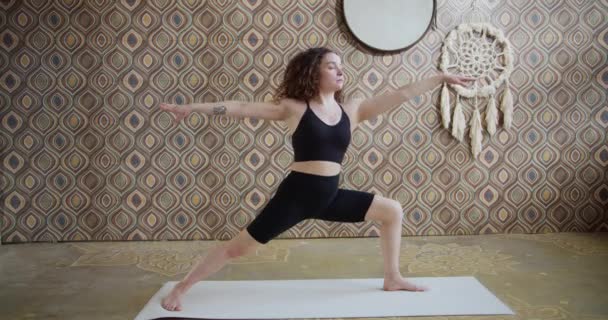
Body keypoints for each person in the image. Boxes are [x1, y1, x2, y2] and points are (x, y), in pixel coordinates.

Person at [158, 47, 475, 311]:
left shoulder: (352, 109)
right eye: (332, 66)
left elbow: (401, 93)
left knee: (391, 211)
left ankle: (392, 277)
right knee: (236, 249)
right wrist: (192, 108)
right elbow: (240, 107)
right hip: (295, 197)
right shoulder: (295, 108)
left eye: (341, 67)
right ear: (314, 72)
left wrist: (440, 78)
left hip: (329, 196)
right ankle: (180, 290)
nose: (340, 71)